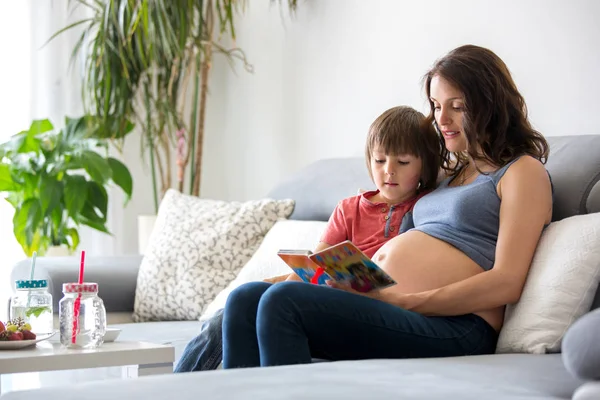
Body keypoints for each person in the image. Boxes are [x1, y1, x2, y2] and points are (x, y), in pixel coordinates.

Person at [221, 44, 553, 369]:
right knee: (246, 298)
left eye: (458, 106)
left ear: (491, 105)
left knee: (284, 302)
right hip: (390, 304)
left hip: (458, 325)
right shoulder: (448, 175)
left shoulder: (522, 172)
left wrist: (403, 300)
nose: (443, 119)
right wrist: (317, 278)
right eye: (437, 106)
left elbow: (507, 280)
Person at [174, 105, 442, 372]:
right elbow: (317, 264)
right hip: (332, 291)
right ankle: (204, 388)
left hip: (378, 304)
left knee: (260, 303)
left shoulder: (427, 207)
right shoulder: (349, 209)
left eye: (403, 162)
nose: (389, 171)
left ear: (425, 165)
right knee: (241, 298)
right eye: (380, 160)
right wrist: (281, 283)